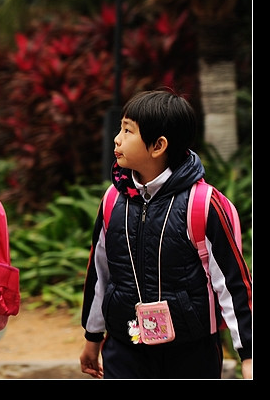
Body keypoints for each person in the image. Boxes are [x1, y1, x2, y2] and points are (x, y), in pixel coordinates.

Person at [79, 89, 252, 379]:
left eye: (127, 130)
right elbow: (100, 272)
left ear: (158, 146)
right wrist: (92, 336)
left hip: (190, 351)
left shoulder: (205, 205)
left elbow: (232, 283)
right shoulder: (113, 200)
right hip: (126, 345)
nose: (116, 138)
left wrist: (248, 354)